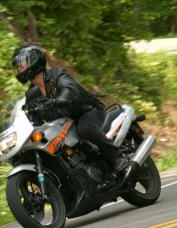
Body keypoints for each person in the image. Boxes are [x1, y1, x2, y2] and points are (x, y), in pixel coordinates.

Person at [12, 45, 129, 174]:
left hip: (87, 111)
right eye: (18, 66)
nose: (19, 68)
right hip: (64, 124)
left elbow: (69, 89)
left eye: (22, 64)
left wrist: (58, 100)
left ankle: (118, 157)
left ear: (34, 61)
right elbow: (32, 117)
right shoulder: (31, 95)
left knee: (85, 129)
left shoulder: (57, 75)